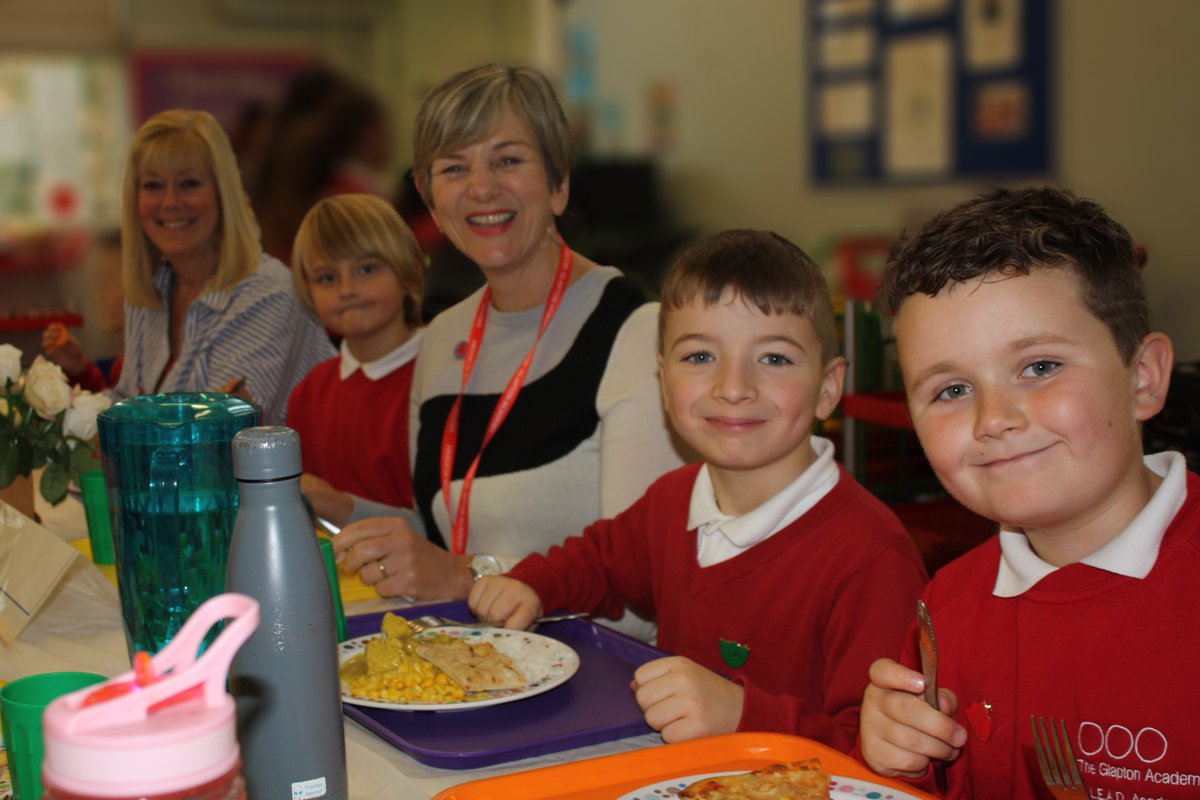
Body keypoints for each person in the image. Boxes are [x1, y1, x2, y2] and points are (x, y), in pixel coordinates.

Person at [469, 229, 928, 750]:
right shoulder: (672, 500)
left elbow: (880, 758)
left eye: (774, 358)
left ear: (827, 387)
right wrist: (532, 584)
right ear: (664, 383)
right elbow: (600, 560)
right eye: (699, 357)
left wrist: (743, 714)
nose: (733, 387)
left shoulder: (870, 558)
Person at [857, 187, 1196, 798]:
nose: (994, 418)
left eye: (1039, 367)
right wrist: (897, 761)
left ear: (1142, 378)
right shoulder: (949, 604)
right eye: (951, 390)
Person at [332, 64, 689, 639]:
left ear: (559, 183)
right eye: (454, 168)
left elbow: (643, 592)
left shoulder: (637, 334)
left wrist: (467, 578)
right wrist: (342, 510)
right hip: (475, 664)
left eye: (508, 159)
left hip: (599, 685)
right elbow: (448, 535)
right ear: (429, 197)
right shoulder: (443, 338)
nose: (481, 188)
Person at [109, 109, 335, 424]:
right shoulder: (151, 291)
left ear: (223, 194)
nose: (170, 201)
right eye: (153, 185)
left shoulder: (269, 294)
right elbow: (127, 402)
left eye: (189, 183)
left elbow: (210, 433)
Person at [286, 193, 425, 527]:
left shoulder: (444, 371)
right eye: (327, 278)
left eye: (366, 269)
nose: (347, 289)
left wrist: (336, 504)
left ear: (408, 272)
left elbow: (446, 530)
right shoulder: (310, 392)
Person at [42, 230, 125, 392]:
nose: (99, 297)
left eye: (108, 280)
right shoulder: (123, 365)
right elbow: (110, 406)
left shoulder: (154, 370)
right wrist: (78, 368)